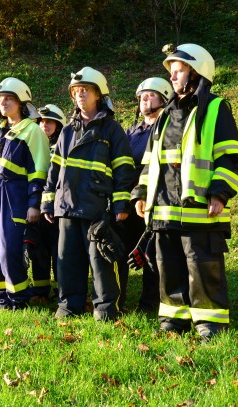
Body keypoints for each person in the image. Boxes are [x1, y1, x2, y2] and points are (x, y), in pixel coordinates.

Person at [132, 44, 238, 339]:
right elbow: (149, 162)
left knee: (202, 266)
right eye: (171, 70)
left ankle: (210, 323)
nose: (172, 76)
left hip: (199, 209)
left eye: (178, 69)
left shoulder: (216, 109)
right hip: (164, 209)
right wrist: (141, 193)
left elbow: (231, 158)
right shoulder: (165, 116)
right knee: (167, 266)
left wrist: (220, 193)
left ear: (197, 73)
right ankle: (174, 319)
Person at [41, 67, 135, 321]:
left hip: (97, 208)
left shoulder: (112, 130)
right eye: (76, 91)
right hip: (67, 207)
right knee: (67, 262)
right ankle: (68, 307)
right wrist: (49, 202)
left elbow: (124, 170)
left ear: (98, 94)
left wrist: (120, 205)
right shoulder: (67, 131)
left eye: (86, 90)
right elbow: (55, 169)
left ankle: (105, 310)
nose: (80, 94)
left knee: (101, 262)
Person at [0, 77, 50, 309]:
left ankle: (18, 298)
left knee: (10, 249)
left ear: (21, 102)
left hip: (15, 195)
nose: (3, 102)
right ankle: (1, 297)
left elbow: (39, 170)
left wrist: (35, 203)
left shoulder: (32, 131)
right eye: (1, 98)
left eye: (9, 98)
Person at [117, 78, 171, 312]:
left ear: (164, 99)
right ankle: (118, 300)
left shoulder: (168, 129)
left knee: (152, 255)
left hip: (157, 202)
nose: (144, 100)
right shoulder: (131, 132)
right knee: (122, 252)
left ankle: (149, 304)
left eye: (150, 95)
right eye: (141, 96)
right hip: (129, 203)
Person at [29, 104, 66, 302]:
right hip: (36, 205)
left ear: (59, 125)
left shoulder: (63, 146)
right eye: (42, 121)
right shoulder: (33, 145)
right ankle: (40, 291)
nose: (45, 125)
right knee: (37, 249)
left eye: (49, 121)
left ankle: (62, 290)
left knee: (58, 250)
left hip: (57, 208)